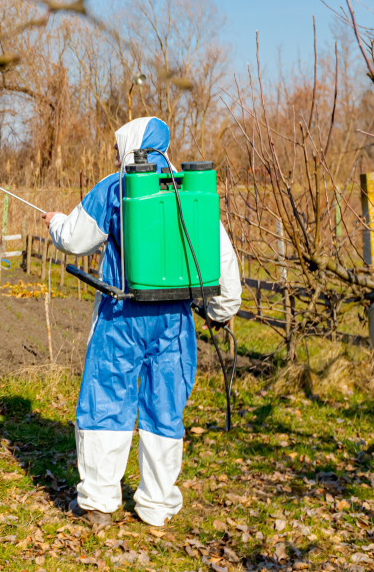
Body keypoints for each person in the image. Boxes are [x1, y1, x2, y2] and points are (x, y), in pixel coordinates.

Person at [42, 116, 241, 530]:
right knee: (164, 409)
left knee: (106, 399)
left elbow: (75, 240)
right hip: (174, 321)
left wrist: (56, 223)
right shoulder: (190, 190)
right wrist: (220, 313)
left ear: (126, 146)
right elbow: (221, 259)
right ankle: (156, 505)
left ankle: (98, 503)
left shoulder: (115, 187)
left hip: (120, 316)